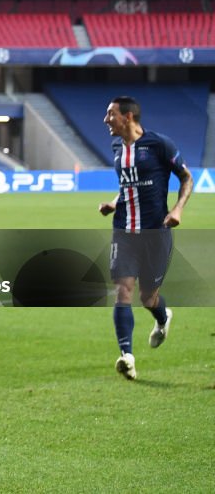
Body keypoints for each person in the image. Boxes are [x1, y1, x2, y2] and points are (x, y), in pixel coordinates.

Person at [99, 96, 191, 380]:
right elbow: (126, 184)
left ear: (128, 117)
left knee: (148, 297)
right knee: (122, 291)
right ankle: (127, 356)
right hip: (124, 230)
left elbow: (186, 177)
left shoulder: (159, 145)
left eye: (111, 114)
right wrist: (115, 202)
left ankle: (163, 318)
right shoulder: (117, 147)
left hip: (155, 232)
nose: (106, 120)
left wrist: (177, 209)